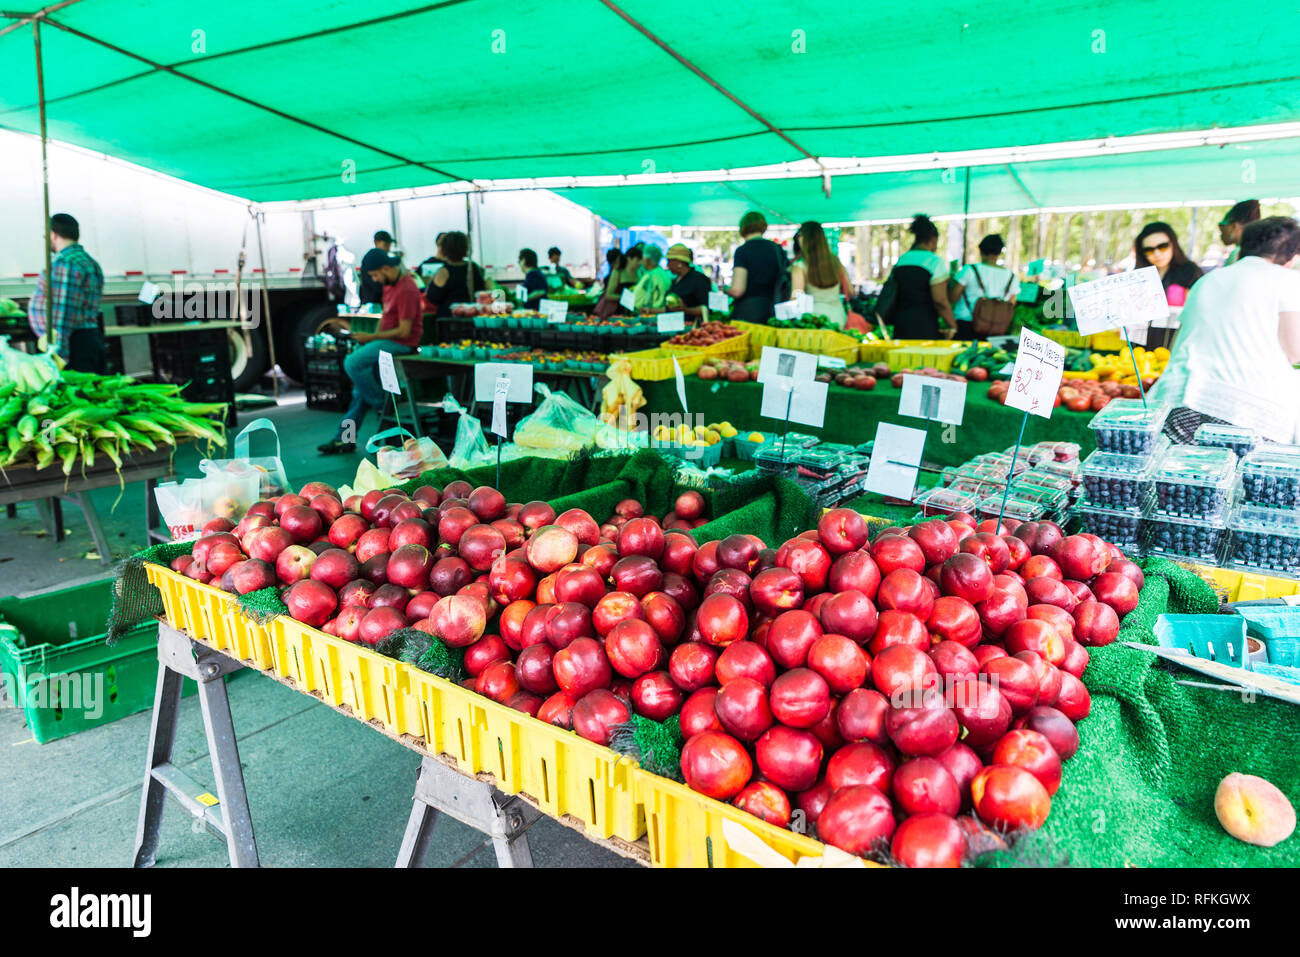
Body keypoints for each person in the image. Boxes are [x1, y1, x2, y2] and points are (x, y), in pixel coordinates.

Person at [1150, 216, 1300, 445]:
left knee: (1186, 478)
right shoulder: (1288, 280)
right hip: (1247, 410)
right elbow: (1294, 352)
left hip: (1178, 401)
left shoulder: (1208, 280)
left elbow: (1179, 340)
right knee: (1244, 479)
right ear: (1291, 257)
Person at [318, 250, 423, 454]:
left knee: (352, 363)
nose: (374, 280)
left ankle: (380, 404)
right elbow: (385, 319)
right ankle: (344, 438)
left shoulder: (407, 289)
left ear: (386, 268)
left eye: (375, 275)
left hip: (401, 343)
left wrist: (371, 339)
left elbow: (405, 331)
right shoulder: (390, 285)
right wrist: (370, 340)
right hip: (387, 340)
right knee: (359, 392)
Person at [27, 213, 105, 373]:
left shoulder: (66, 263)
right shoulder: (90, 262)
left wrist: (57, 355)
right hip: (87, 340)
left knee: (77, 394)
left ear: (53, 235)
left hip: (74, 345)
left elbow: (61, 313)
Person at [879, 215, 957, 339]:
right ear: (933, 240)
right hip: (925, 326)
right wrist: (952, 325)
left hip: (901, 324)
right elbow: (940, 301)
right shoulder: (934, 262)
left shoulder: (903, 259)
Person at [719, 211, 788, 323]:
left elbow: (737, 290)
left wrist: (726, 290)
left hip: (749, 312)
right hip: (774, 310)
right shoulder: (776, 249)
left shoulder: (743, 251)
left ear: (743, 228)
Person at [950, 234, 1018, 339]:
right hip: (996, 327)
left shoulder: (969, 270)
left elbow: (953, 297)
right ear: (999, 252)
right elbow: (1012, 302)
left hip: (966, 324)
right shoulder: (1012, 276)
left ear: (981, 251)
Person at [790, 221, 850, 327]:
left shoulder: (800, 265)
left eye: (800, 235)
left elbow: (796, 297)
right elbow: (850, 290)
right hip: (839, 317)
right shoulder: (835, 261)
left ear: (804, 238)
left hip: (814, 321)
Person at [423, 231, 488, 318]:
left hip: (448, 318)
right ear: (465, 248)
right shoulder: (473, 268)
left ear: (445, 249)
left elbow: (432, 297)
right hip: (472, 316)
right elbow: (481, 291)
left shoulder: (444, 271)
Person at [663, 244, 712, 320]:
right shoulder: (675, 280)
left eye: (669, 261)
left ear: (679, 262)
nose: (667, 265)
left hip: (693, 328)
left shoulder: (699, 280)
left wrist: (686, 310)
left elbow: (706, 308)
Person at [594, 245, 644, 317]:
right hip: (617, 312)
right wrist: (625, 298)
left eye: (641, 260)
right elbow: (609, 294)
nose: (640, 263)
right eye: (637, 260)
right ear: (629, 258)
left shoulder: (639, 274)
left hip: (633, 311)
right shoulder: (617, 273)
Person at [1219, 200, 1261, 266]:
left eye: (1221, 226)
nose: (1220, 232)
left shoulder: (1238, 254)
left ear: (1234, 226)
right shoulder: (1260, 252)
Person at [358, 230, 394, 306]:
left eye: (389, 245)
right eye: (386, 245)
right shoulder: (370, 259)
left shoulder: (384, 258)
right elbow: (377, 285)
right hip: (373, 304)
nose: (388, 248)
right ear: (376, 242)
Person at [633, 244, 673, 311]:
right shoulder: (661, 273)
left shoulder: (651, 276)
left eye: (642, 258)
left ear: (647, 259)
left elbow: (639, 299)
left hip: (650, 314)